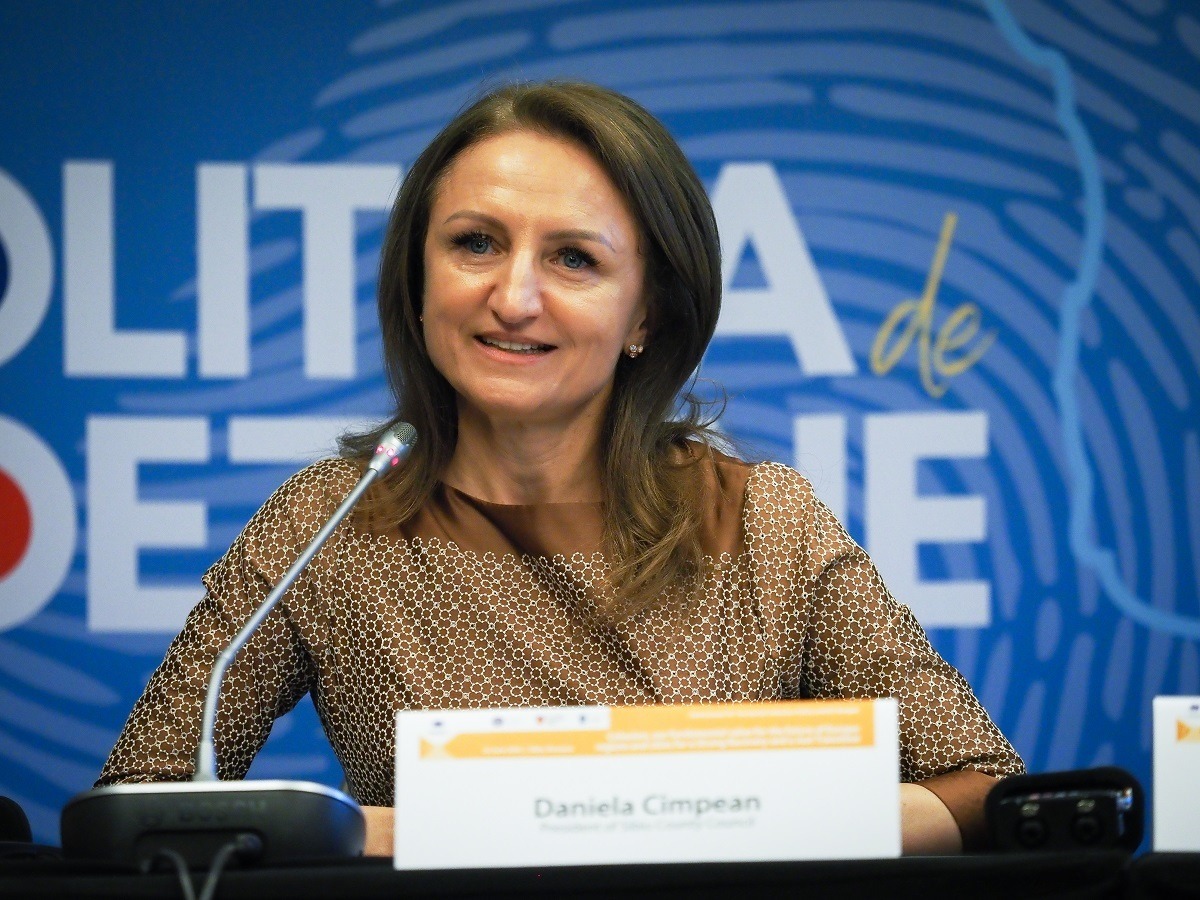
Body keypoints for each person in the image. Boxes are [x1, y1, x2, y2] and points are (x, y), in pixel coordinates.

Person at [97, 80, 1023, 856]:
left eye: (574, 258)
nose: (514, 297)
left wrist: (730, 818)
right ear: (418, 281)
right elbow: (141, 805)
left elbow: (982, 790)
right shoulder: (331, 525)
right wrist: (395, 833)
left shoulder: (759, 521)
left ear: (646, 314)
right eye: (476, 243)